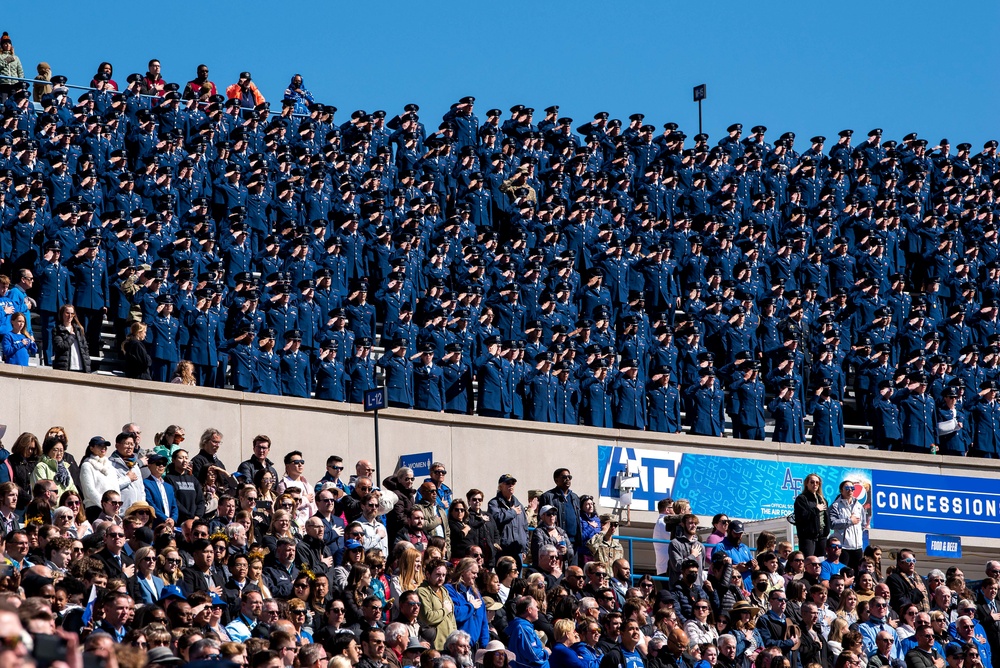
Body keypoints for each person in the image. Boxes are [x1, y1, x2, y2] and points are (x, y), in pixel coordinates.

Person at [506, 595, 550, 668]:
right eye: (536, 607)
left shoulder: (524, 627)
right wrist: (546, 652)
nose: (538, 610)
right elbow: (534, 655)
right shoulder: (523, 629)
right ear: (529, 610)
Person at [794, 474, 830, 557]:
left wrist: (826, 532)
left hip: (821, 536)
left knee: (821, 561)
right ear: (807, 484)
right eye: (812, 482)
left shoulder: (823, 500)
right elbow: (803, 516)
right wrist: (816, 509)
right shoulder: (802, 499)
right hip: (808, 537)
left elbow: (826, 518)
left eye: (817, 482)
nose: (815, 484)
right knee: (809, 561)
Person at [51, 304, 91, 373]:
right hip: (65, 367)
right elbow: (60, 346)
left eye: (72, 314)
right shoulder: (57, 330)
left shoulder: (79, 329)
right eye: (67, 313)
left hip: (81, 367)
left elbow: (85, 349)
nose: (70, 316)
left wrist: (87, 364)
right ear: (62, 314)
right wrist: (71, 336)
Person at [0, 33, 24, 102]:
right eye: (5, 44)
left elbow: (20, 72)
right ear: (2, 45)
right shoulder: (0, 56)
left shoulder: (16, 58)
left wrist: (21, 85)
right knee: (3, 103)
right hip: (3, 84)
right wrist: (10, 58)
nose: (7, 45)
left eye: (9, 43)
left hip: (14, 85)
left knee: (14, 103)